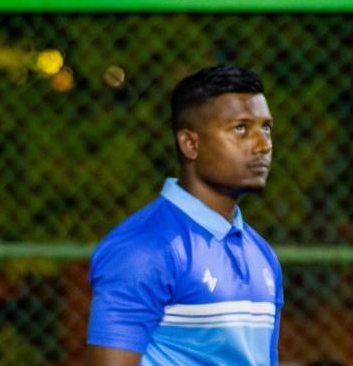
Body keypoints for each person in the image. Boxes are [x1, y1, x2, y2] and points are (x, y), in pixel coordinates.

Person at [86, 66, 281, 366]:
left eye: (265, 128)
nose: (263, 145)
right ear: (190, 144)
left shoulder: (262, 254)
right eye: (241, 128)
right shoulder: (144, 248)